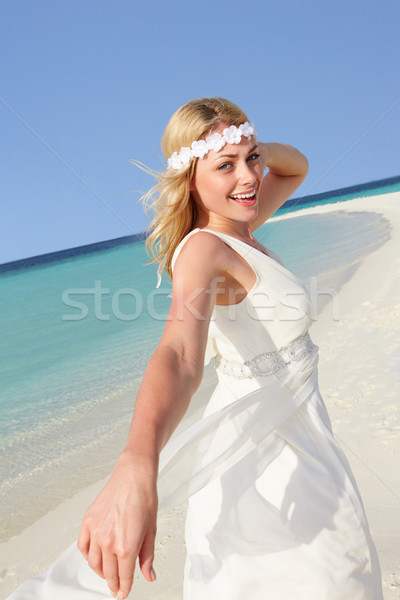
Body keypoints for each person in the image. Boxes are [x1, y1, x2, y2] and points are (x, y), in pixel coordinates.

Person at [6, 97, 383, 600]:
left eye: (251, 159)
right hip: (269, 462)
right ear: (190, 179)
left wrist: (242, 146)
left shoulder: (242, 227)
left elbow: (296, 169)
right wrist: (138, 460)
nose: (249, 177)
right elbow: (180, 356)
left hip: (305, 440)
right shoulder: (206, 248)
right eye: (224, 167)